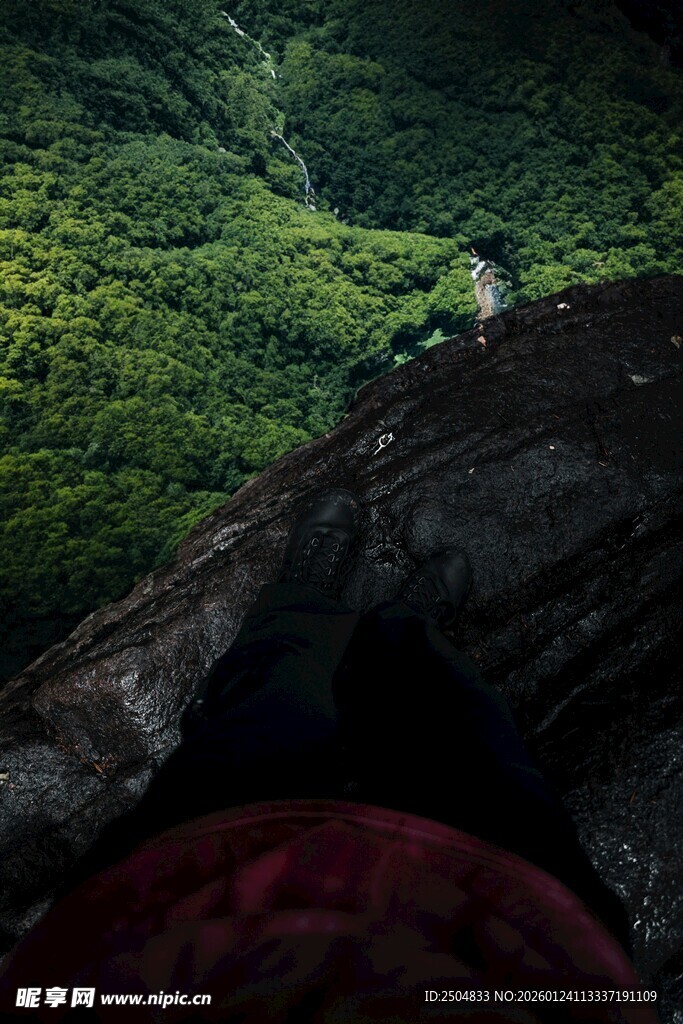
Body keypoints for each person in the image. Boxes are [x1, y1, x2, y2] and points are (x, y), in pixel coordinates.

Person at [0, 489, 657, 1022]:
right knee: (467, 735)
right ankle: (400, 630)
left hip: (180, 918)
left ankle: (307, 604)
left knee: (272, 707)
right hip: (513, 934)